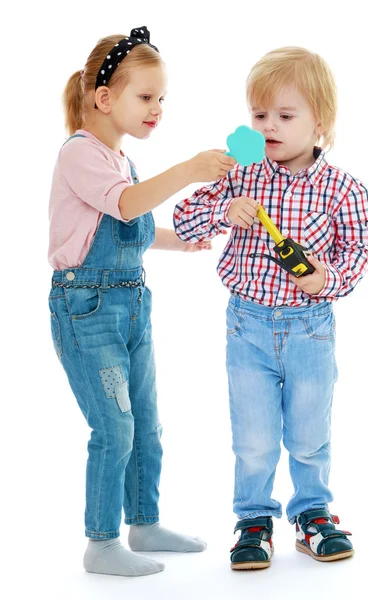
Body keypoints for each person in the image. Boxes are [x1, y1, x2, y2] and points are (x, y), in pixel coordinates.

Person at [173, 46, 368, 569]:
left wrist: (322, 277)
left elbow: (360, 252)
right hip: (247, 326)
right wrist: (223, 210)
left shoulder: (344, 190)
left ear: (320, 124)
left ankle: (313, 515)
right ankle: (254, 520)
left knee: (309, 434)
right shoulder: (240, 173)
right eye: (260, 115)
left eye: (286, 116)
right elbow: (186, 218)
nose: (270, 127)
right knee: (255, 437)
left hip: (311, 329)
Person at [48, 26, 236, 577]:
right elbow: (127, 206)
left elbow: (134, 222)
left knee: (147, 421)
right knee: (115, 427)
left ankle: (144, 519)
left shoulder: (120, 160)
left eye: (162, 99)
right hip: (87, 312)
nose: (158, 109)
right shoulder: (80, 156)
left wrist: (181, 240)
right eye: (147, 97)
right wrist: (189, 171)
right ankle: (101, 542)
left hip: (133, 305)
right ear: (104, 99)